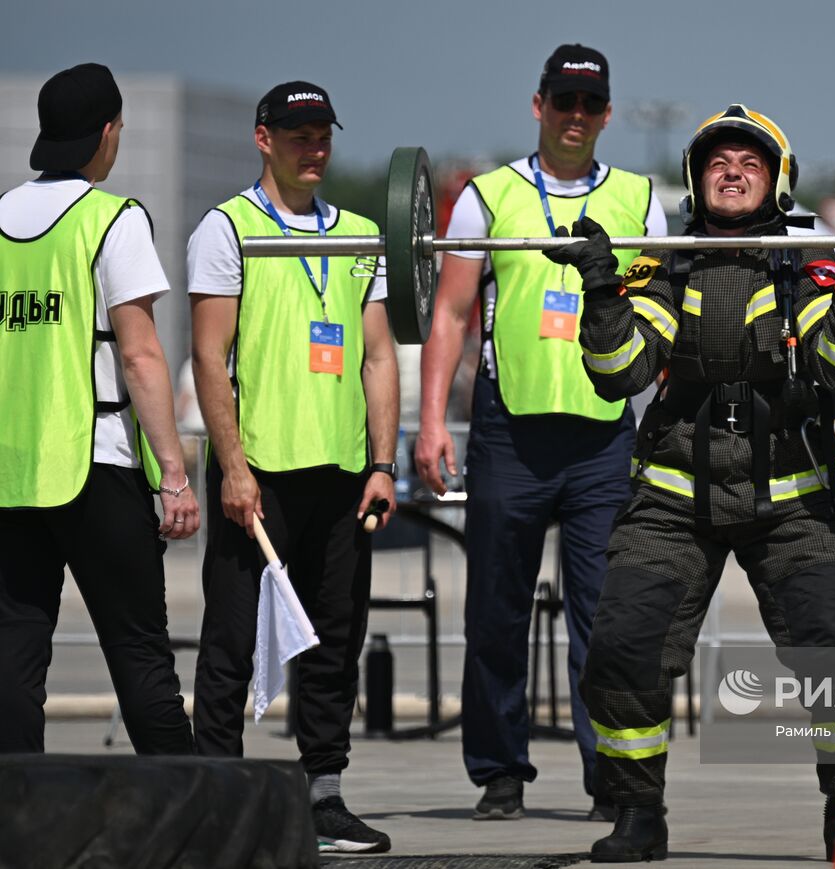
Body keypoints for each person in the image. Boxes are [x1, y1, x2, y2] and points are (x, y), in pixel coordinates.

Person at [546, 104, 835, 862]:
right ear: (695, 178)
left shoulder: (807, 263)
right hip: (674, 499)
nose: (732, 170)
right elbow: (618, 374)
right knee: (624, 648)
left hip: (794, 500)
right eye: (718, 160)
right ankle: (637, 816)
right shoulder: (664, 261)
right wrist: (601, 292)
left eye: (750, 161)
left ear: (778, 182)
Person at [414, 44, 666, 822]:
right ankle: (499, 773)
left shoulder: (640, 197)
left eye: (590, 106)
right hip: (510, 435)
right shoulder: (487, 196)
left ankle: (613, 780)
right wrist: (430, 422)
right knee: (496, 611)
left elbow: (659, 318)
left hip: (601, 438)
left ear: (607, 114)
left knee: (606, 619)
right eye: (564, 103)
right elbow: (452, 313)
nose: (576, 118)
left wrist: (658, 424)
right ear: (538, 104)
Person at [187, 81, 399, 853]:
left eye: (323, 133)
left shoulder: (363, 233)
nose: (314, 146)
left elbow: (378, 356)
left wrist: (383, 464)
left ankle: (325, 797)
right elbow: (209, 356)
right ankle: (217, 797)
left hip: (343, 476)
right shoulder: (227, 228)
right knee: (233, 641)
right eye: (298, 132)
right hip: (261, 475)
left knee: (333, 642)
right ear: (263, 138)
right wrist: (233, 468)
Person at [0, 63, 199, 755]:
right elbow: (142, 356)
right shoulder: (112, 219)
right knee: (140, 651)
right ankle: (184, 820)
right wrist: (173, 473)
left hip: (11, 474)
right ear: (108, 132)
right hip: (97, 465)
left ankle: (18, 825)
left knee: (14, 659)